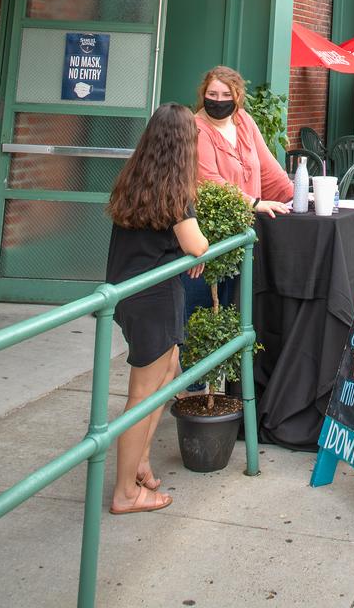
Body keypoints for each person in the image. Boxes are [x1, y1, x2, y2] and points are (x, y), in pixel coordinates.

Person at [105, 104, 209, 515]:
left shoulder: (136, 179)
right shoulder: (176, 191)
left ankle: (141, 464)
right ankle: (125, 494)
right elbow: (196, 244)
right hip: (154, 298)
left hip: (131, 293)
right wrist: (195, 247)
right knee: (143, 397)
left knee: (168, 373)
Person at [186, 66, 292, 327]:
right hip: (208, 236)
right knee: (202, 308)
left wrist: (296, 197)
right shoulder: (197, 128)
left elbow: (267, 168)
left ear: (237, 96)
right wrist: (255, 203)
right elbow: (209, 179)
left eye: (225, 94)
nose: (218, 100)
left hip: (242, 232)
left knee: (233, 305)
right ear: (203, 94)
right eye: (213, 93)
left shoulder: (243, 121)